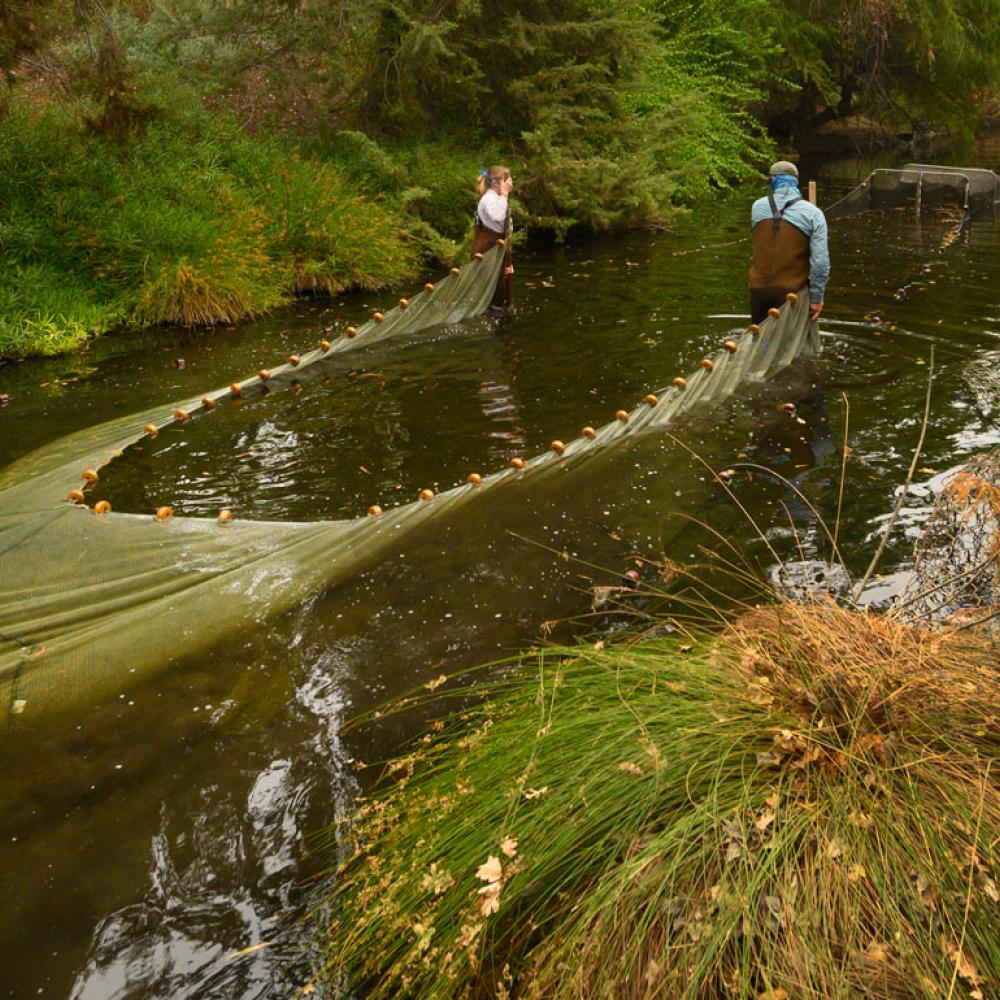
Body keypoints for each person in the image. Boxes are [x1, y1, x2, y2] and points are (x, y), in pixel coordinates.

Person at [749, 161, 829, 325]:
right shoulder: (813, 214)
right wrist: (816, 298)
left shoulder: (757, 207)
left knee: (762, 343)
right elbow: (820, 263)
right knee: (791, 347)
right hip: (791, 296)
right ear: (796, 183)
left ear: (772, 182)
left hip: (758, 291)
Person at [472, 165, 515, 310]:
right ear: (497, 182)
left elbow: (505, 229)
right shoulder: (489, 198)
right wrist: (505, 195)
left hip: (496, 252)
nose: (510, 182)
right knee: (492, 300)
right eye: (507, 179)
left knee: (499, 297)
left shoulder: (496, 197)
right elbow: (498, 216)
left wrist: (507, 260)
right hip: (486, 252)